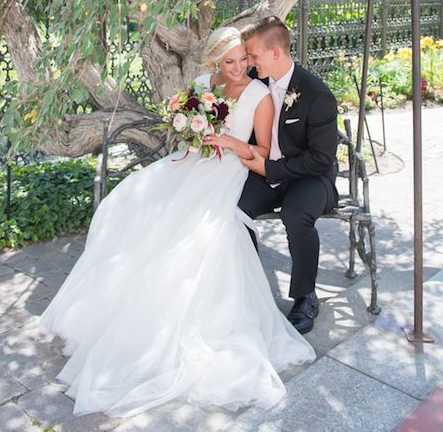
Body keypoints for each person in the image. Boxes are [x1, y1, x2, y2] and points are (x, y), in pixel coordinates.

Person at [39, 26, 315, 418]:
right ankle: (128, 313)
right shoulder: (202, 85)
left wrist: (230, 144)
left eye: (242, 59)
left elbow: (263, 152)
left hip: (228, 171)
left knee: (197, 231)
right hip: (193, 164)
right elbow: (186, 134)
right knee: (130, 204)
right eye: (229, 61)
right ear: (215, 61)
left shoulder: (259, 95)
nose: (238, 68)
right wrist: (193, 133)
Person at [237, 16, 339, 335]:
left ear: (276, 54)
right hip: (266, 172)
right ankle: (249, 289)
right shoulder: (253, 81)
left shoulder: (315, 93)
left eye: (253, 54)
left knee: (296, 216)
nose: (249, 61)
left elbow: (321, 159)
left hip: (310, 178)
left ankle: (305, 295)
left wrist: (272, 169)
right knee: (233, 211)